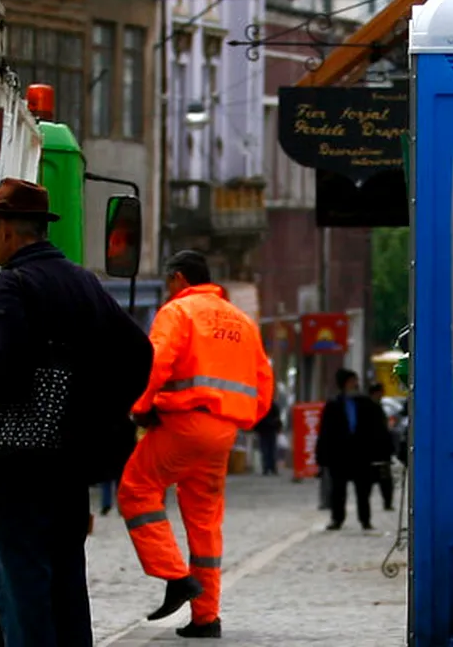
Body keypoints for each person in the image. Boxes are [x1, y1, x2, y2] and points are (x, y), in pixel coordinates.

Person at [0, 178, 152, 647]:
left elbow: (2, 371)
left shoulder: (15, 283)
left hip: (20, 463)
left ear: (7, 229)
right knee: (67, 581)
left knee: (22, 581)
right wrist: (95, 410)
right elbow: (139, 353)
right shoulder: (83, 281)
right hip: (71, 463)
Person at [118, 250, 273, 640]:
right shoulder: (242, 321)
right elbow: (263, 381)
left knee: (137, 490)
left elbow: (156, 363)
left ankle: (175, 576)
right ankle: (207, 617)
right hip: (223, 433)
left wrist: (139, 408)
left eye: (170, 283)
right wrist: (241, 417)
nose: (170, 290)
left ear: (179, 279)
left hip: (184, 423)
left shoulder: (178, 312)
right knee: (205, 524)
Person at [315, 369, 393, 531]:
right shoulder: (333, 405)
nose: (355, 384)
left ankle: (365, 519)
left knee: (363, 490)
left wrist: (384, 452)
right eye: (351, 381)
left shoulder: (366, 403)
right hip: (339, 455)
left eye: (355, 381)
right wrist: (322, 456)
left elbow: (378, 429)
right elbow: (325, 432)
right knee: (338, 490)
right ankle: (337, 518)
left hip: (361, 454)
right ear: (343, 384)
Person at [367, 383, 396, 512]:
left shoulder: (378, 407)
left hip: (381, 451)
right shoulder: (369, 408)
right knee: (372, 481)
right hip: (374, 451)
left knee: (385, 481)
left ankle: (387, 502)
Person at [254, 397, 282, 476]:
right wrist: (278, 427)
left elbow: (257, 417)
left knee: (265, 449)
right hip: (271, 429)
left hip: (263, 429)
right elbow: (277, 417)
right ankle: (272, 468)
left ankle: (266, 468)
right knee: (271, 449)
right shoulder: (273, 405)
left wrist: (256, 428)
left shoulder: (262, 406)